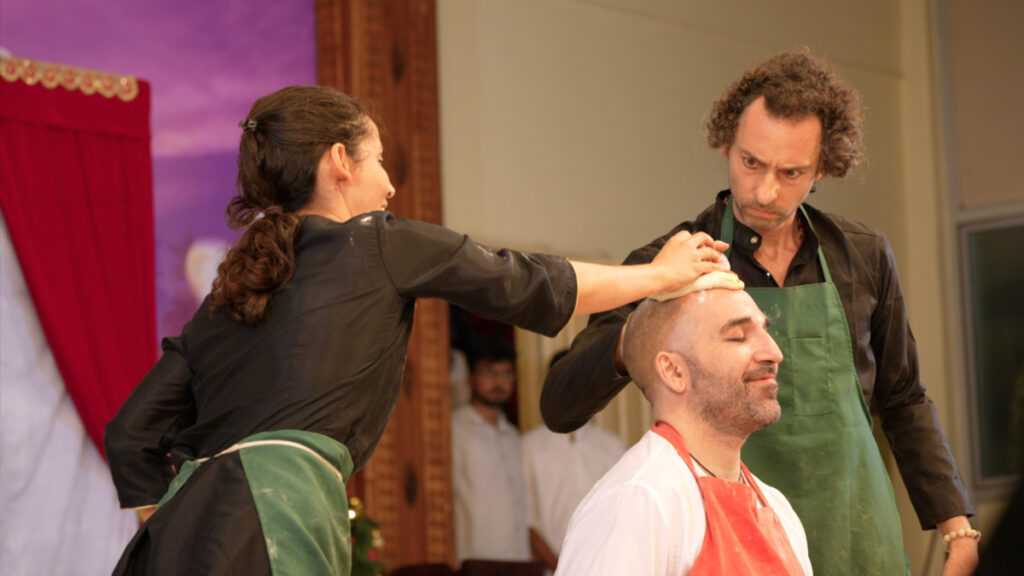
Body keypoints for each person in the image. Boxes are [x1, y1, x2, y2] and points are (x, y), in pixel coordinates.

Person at [103, 85, 730, 575]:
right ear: (339, 162)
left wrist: (189, 525)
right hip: (277, 522)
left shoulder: (225, 297)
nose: (390, 183)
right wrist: (659, 274)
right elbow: (527, 281)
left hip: (172, 542)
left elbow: (130, 434)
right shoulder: (380, 241)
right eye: (379, 160)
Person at [542, 48, 978, 575]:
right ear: (725, 144)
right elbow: (559, 405)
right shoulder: (669, 267)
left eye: (791, 172)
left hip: (857, 538)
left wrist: (956, 525)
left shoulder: (861, 256)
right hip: (735, 540)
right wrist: (645, 316)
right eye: (750, 163)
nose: (765, 191)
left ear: (823, 169)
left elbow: (904, 398)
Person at [556, 272, 812, 575]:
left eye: (766, 332)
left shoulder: (777, 507)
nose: (774, 353)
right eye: (738, 336)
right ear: (674, 371)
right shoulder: (638, 500)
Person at [521, 350, 625, 573]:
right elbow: (526, 521)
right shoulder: (529, 446)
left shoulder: (612, 446)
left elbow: (622, 516)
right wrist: (564, 567)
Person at [451, 342, 529, 563]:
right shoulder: (454, 430)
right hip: (474, 559)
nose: (498, 382)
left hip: (517, 560)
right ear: (470, 377)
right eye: (489, 373)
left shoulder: (513, 436)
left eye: (506, 373)